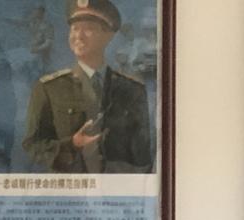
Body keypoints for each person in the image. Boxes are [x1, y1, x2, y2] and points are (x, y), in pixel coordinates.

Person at [22, 0, 151, 173]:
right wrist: (72, 145)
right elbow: (33, 145)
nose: (79, 36)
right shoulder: (48, 89)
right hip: (69, 186)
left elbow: (142, 158)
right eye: (74, 29)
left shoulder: (132, 91)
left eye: (88, 29)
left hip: (117, 188)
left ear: (108, 36)